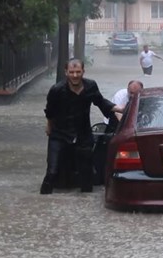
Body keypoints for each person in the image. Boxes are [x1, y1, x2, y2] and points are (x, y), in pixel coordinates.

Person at [41, 58, 123, 194]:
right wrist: (49, 127)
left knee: (87, 171)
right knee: (52, 170)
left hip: (83, 133)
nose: (75, 75)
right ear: (66, 72)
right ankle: (44, 198)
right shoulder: (57, 90)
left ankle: (86, 198)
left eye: (78, 72)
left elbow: (101, 102)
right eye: (71, 72)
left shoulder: (90, 86)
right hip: (59, 133)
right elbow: (50, 112)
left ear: (83, 72)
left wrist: (121, 109)